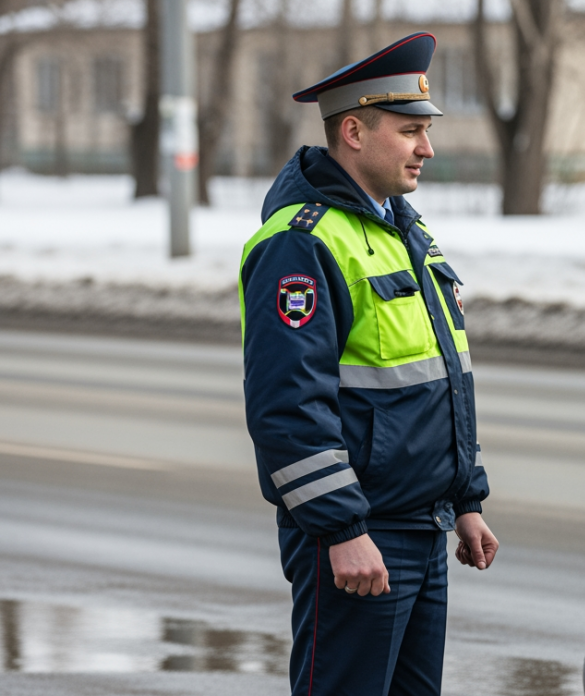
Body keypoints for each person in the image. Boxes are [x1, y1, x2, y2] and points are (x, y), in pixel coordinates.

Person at [239, 32, 498, 696]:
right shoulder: (301, 244)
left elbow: (440, 379)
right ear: (353, 130)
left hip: (422, 528)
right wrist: (341, 529)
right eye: (411, 131)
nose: (427, 147)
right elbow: (287, 407)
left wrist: (465, 499)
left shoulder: (406, 233)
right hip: (359, 537)